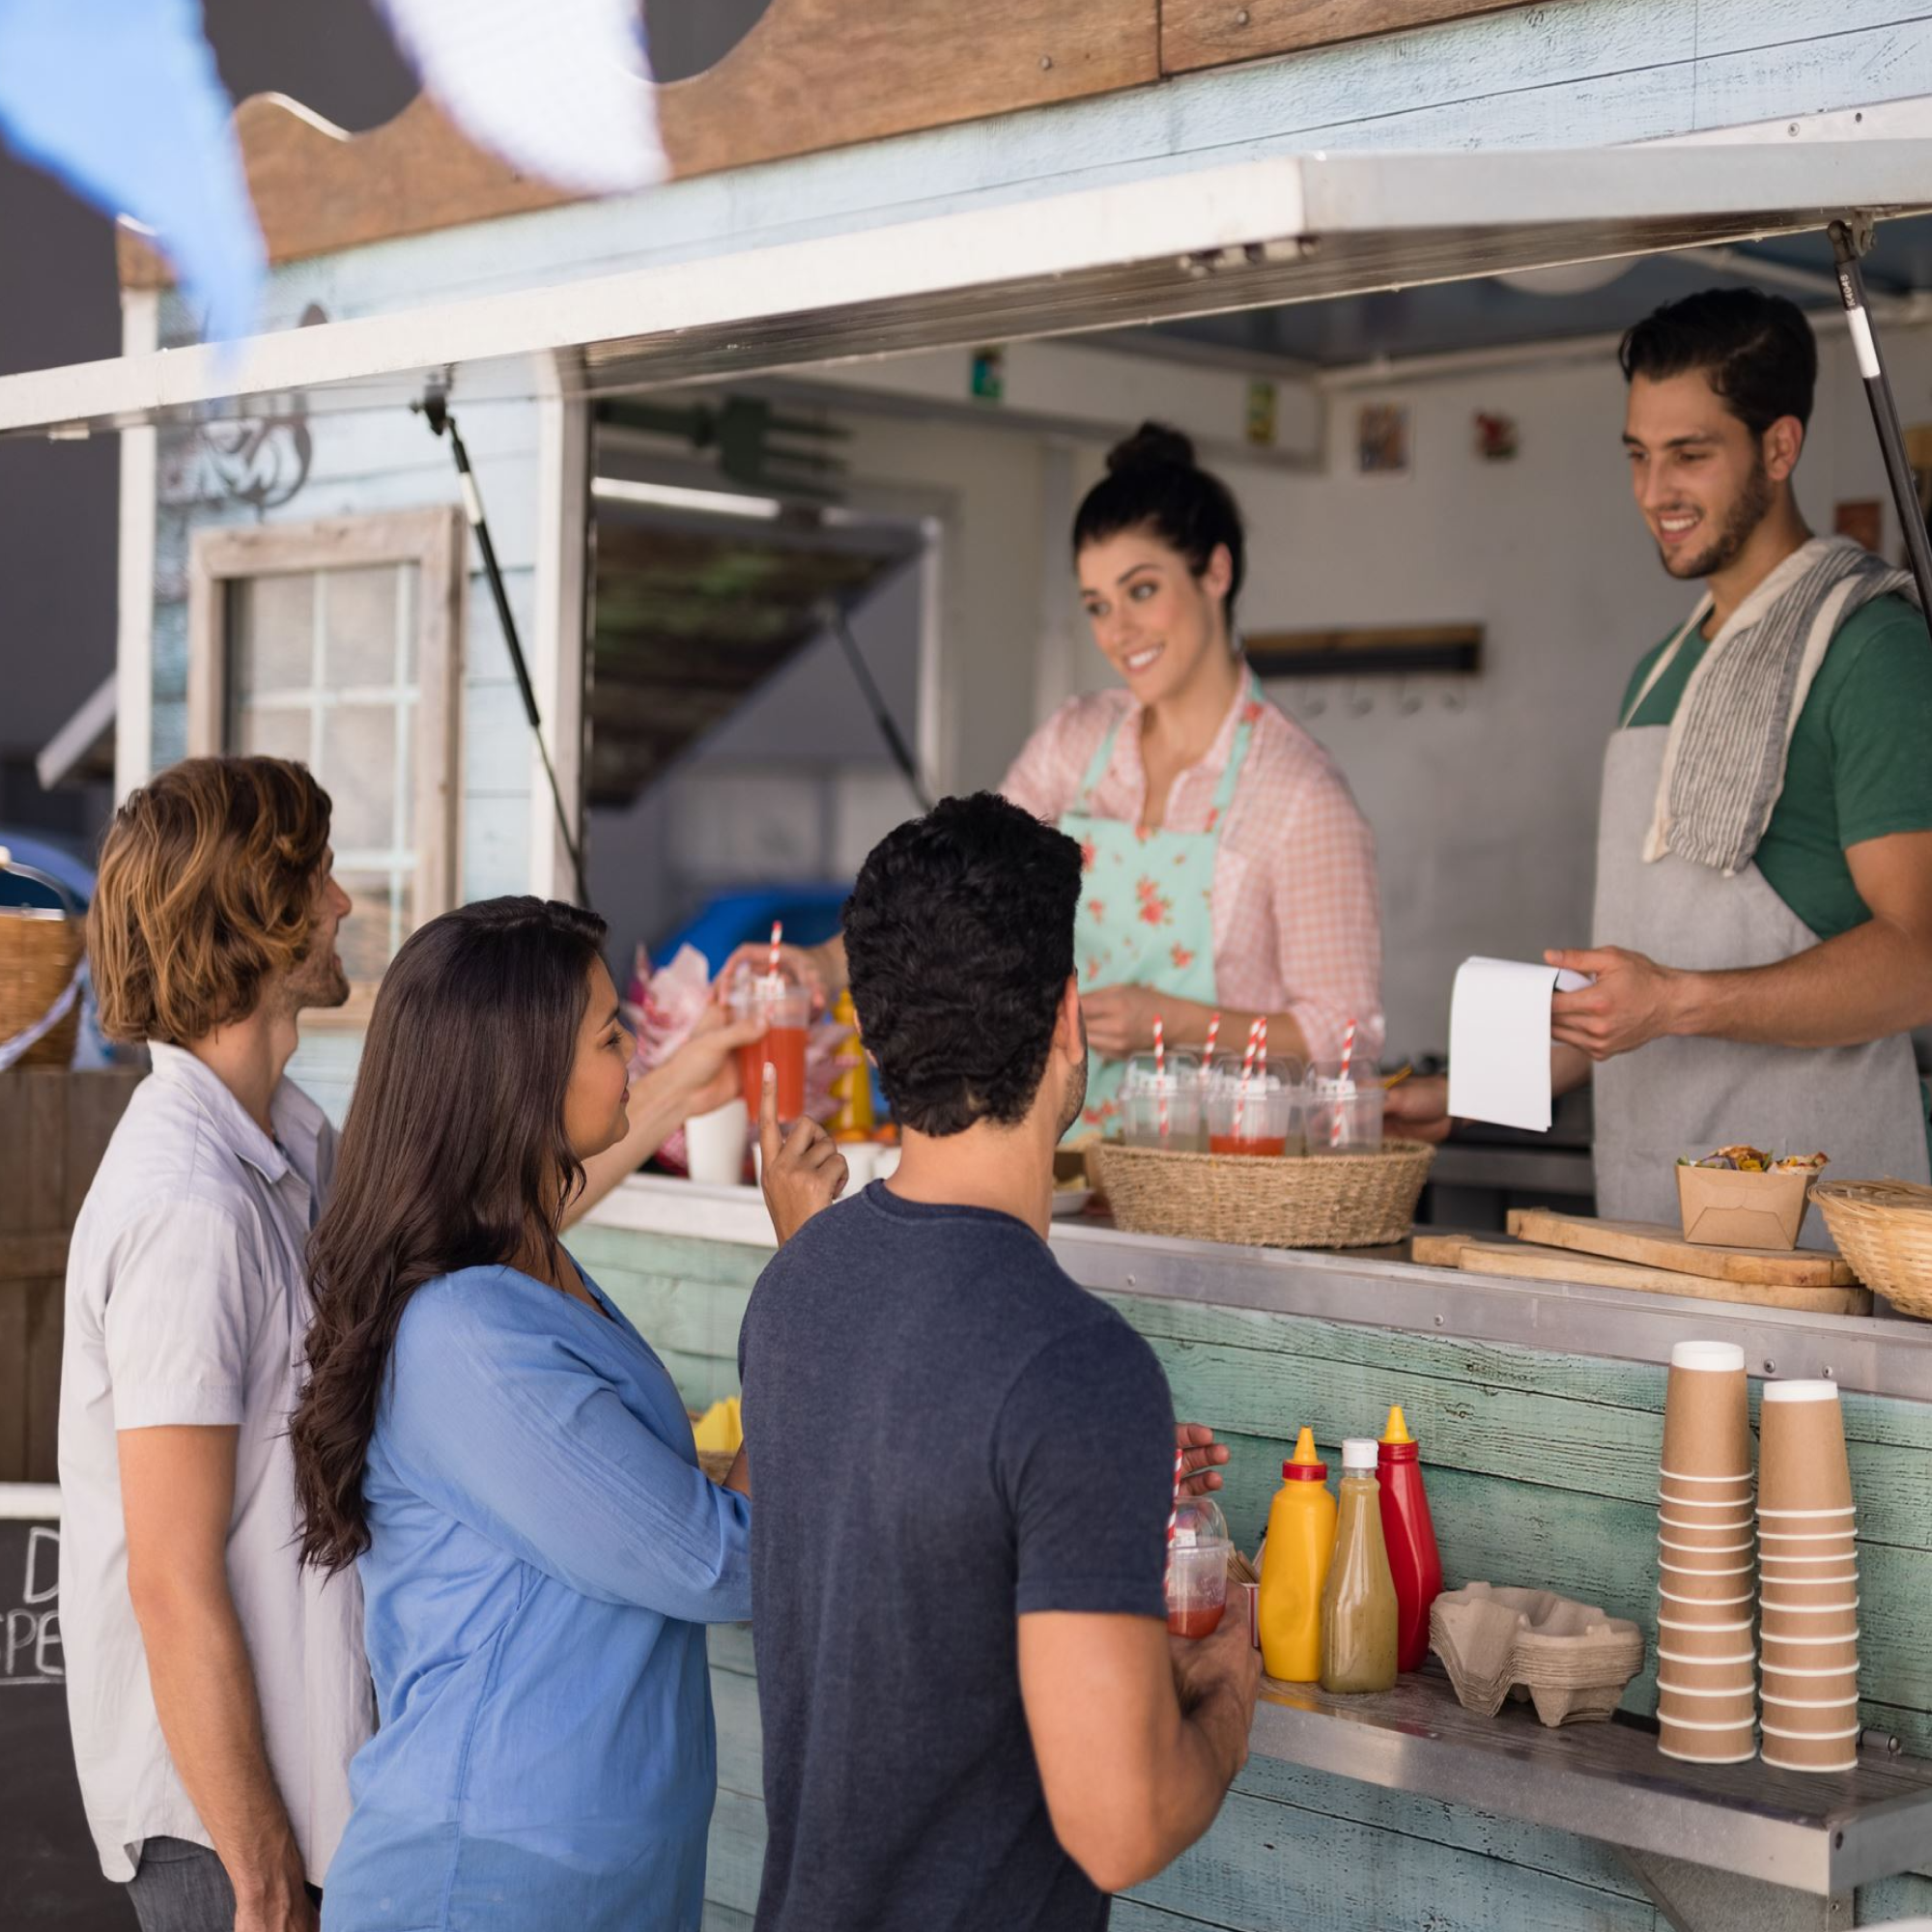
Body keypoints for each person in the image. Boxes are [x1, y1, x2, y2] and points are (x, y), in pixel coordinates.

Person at [738, 792, 1260, 1932]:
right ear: (1066, 1018)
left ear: (874, 1037)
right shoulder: (1075, 1364)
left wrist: (1084, 1494)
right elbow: (1121, 1824)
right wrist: (1226, 1680)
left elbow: (920, 1555)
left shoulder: (794, 1287)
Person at [1390, 290, 1932, 1229]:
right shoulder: (1658, 670)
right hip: (1649, 1222)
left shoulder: (1867, 647)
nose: (1653, 491)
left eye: (1688, 453)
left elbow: (1918, 956)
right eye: (1637, 455)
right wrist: (1476, 1088)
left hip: (1813, 1236)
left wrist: (1677, 1000)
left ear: (1777, 446)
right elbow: (1632, 1004)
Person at [290, 896, 755, 1932]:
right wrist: (815, 1293)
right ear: (519, 1078)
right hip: (489, 1878)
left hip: (592, 1870)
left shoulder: (532, 1271)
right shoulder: (467, 1335)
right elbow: (716, 1562)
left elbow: (673, 1519)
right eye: (608, 1033)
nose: (634, 1045)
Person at [726, 422, 1383, 1133]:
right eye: (1098, 605)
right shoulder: (1077, 742)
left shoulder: (1296, 792)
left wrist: (1177, 1023)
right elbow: (961, 891)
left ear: (1215, 573)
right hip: (1063, 1163)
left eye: (1141, 590)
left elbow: (1344, 1033)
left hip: (1225, 1184)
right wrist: (825, 964)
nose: (1117, 630)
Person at [59, 755, 370, 1932]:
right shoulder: (190, 1202)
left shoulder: (284, 1147)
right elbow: (171, 1577)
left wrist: (677, 1079)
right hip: (224, 1833)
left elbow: (449, 1230)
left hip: (297, 1794)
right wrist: (260, 1874)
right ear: (257, 910)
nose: (341, 902)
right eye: (319, 876)